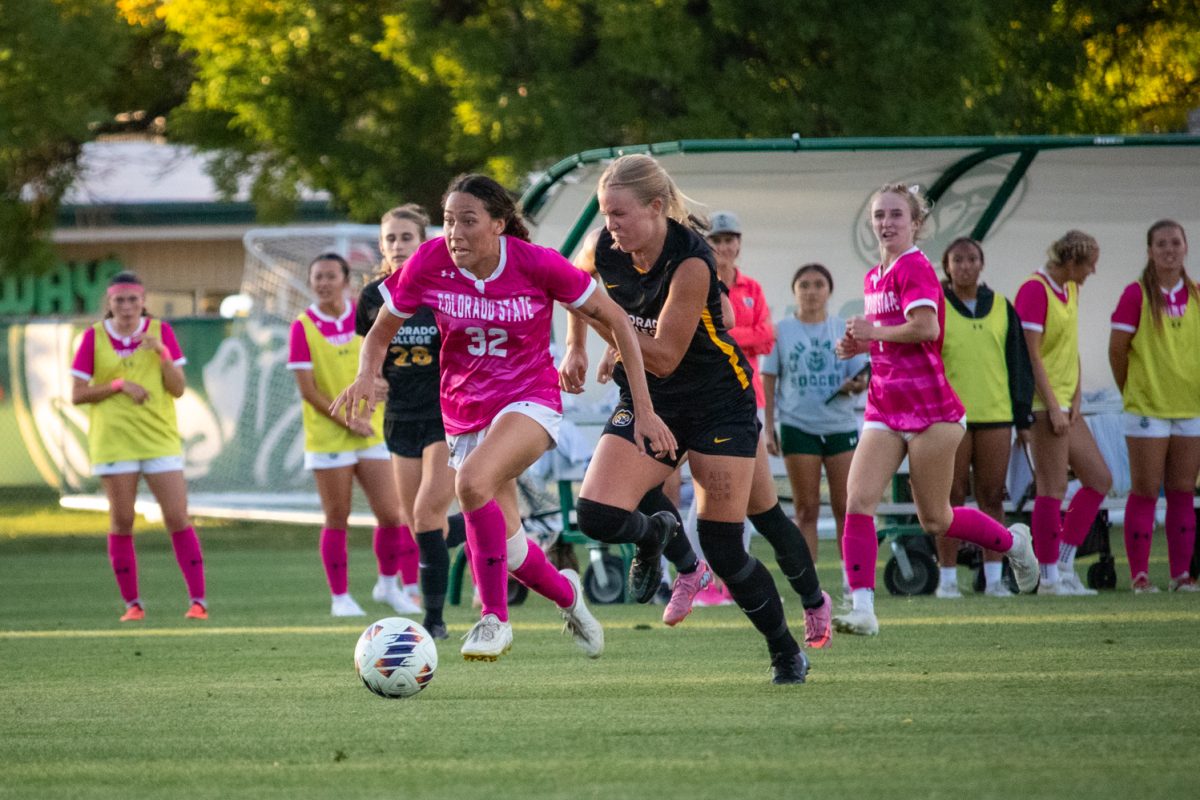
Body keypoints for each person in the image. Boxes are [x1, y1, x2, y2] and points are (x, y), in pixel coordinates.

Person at [336, 173, 675, 662]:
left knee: (470, 484)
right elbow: (381, 330)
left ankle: (493, 618)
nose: (453, 232)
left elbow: (617, 320)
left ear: (498, 224)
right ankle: (569, 597)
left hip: (529, 399)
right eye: (448, 220)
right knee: (511, 551)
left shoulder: (536, 264)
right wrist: (368, 374)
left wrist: (640, 406)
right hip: (463, 412)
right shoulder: (429, 261)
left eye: (467, 221)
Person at [560, 153, 822, 683]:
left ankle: (787, 649)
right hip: (649, 397)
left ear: (656, 208)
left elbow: (664, 356)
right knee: (596, 515)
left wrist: (613, 336)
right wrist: (576, 348)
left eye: (620, 213)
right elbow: (574, 290)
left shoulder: (692, 262)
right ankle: (666, 543)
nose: (610, 225)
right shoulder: (604, 247)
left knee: (728, 542)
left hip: (717, 402)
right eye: (605, 213)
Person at [832, 184, 1038, 636]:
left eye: (896, 215)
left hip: (932, 412)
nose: (886, 223)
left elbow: (924, 328)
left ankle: (1014, 544)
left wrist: (874, 331)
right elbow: (891, 336)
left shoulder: (917, 267)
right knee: (858, 500)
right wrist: (859, 344)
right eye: (879, 215)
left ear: (916, 224)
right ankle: (864, 609)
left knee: (936, 519)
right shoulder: (874, 276)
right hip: (885, 407)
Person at [70, 271, 207, 622]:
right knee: (122, 520)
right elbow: (77, 394)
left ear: (143, 301)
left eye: (133, 299)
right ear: (109, 304)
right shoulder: (93, 338)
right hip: (114, 442)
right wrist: (118, 384)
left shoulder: (161, 333)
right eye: (119, 300)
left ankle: (198, 602)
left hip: (159, 439)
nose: (127, 307)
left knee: (177, 517)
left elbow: (177, 388)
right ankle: (133, 605)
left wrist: (161, 354)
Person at [288, 252, 417, 618]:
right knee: (337, 516)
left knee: (392, 515)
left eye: (331, 276)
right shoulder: (302, 326)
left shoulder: (364, 313)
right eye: (318, 277)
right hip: (329, 437)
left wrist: (384, 384)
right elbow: (309, 391)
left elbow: (384, 361)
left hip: (371, 431)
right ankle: (340, 597)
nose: (324, 282)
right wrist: (349, 421)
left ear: (345, 280)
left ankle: (388, 586)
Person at [356, 204, 456, 638]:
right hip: (399, 419)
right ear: (382, 245)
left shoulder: (443, 291)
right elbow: (371, 355)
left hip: (446, 415)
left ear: (424, 240)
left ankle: (433, 621)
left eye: (406, 237)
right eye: (390, 238)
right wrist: (371, 381)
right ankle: (473, 538)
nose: (398, 246)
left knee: (426, 510)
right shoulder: (372, 298)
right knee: (419, 524)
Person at [1015, 230, 1113, 596]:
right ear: (1071, 261)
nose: (1093, 271)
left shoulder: (1071, 288)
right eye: (1090, 263)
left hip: (1068, 404)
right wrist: (1053, 406)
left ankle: (1065, 564)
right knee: (1051, 488)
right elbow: (1032, 354)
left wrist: (1076, 396)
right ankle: (1050, 577)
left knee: (1099, 479)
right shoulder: (1034, 290)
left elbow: (1069, 347)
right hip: (1044, 406)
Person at [935, 238, 1035, 599]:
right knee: (950, 497)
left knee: (992, 495)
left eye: (972, 259)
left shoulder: (1002, 308)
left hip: (996, 414)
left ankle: (995, 578)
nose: (965, 266)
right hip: (950, 417)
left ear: (982, 264)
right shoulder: (935, 307)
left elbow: (1019, 364)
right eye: (957, 259)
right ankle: (947, 580)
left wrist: (1022, 418)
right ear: (946, 266)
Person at [1108, 220, 1200, 593]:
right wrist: (1131, 389)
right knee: (1145, 490)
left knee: (1181, 491)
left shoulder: (1195, 294)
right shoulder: (1136, 295)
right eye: (1161, 244)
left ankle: (1181, 576)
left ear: (1186, 247)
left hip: (1190, 407)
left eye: (1175, 242)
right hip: (1147, 408)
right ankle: (1140, 577)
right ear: (1149, 251)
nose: (1169, 250)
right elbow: (1117, 352)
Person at [762, 263, 867, 582]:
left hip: (840, 425)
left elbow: (863, 373)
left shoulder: (844, 329)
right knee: (806, 509)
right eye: (804, 285)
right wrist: (769, 427)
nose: (811, 291)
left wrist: (857, 384)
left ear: (829, 291)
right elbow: (768, 378)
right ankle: (810, 584)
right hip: (798, 426)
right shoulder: (782, 330)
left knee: (846, 507)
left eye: (818, 284)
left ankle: (854, 581)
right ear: (794, 291)